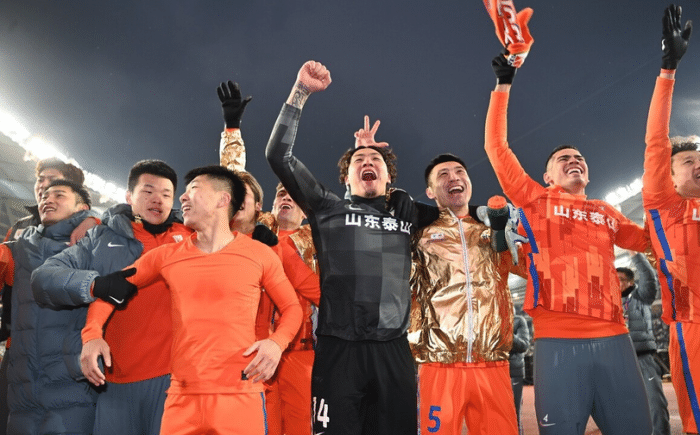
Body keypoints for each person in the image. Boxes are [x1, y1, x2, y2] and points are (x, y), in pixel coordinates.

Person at [484, 36, 653, 434]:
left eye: (579, 158)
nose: (574, 161)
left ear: (587, 173)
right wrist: (503, 85)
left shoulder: (606, 212)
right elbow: (496, 147)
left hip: (616, 339)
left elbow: (650, 240)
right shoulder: (535, 199)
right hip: (557, 343)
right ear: (548, 176)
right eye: (564, 159)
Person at [266, 60, 437, 434]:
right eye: (359, 160)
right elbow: (278, 156)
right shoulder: (328, 207)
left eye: (376, 160)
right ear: (345, 178)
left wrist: (405, 195)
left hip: (393, 350)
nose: (368, 162)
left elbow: (456, 209)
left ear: (389, 177)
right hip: (338, 351)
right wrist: (300, 92)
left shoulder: (407, 211)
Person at [78, 166, 303, 434]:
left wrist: (277, 343)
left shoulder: (260, 254)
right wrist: (92, 336)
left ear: (222, 199)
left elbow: (292, 308)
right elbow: (112, 289)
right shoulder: (166, 255)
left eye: (194, 189)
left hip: (240, 397)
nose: (182, 197)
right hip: (182, 400)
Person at [31, 160, 191, 435]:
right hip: (113, 381)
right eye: (148, 191)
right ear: (129, 196)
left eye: (166, 194)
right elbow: (42, 278)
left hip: (173, 380)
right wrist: (94, 284)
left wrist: (261, 233)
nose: (157, 200)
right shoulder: (100, 237)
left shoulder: (191, 236)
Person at [219, 80, 319, 434]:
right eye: (280, 193)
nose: (286, 197)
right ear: (269, 204)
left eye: (293, 194)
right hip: (254, 347)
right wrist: (232, 129)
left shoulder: (316, 240)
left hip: (301, 352)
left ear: (306, 210)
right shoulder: (258, 229)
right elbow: (232, 184)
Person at [410, 153, 526, 435]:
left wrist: (517, 234)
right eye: (443, 174)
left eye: (460, 171)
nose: (454, 177)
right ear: (429, 192)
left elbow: (528, 269)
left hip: (492, 361)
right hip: (438, 363)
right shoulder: (418, 235)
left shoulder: (492, 230)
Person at [0, 158, 94, 435]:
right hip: (21, 352)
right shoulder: (20, 231)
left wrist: (95, 221)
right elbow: (9, 275)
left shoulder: (93, 235)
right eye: (41, 181)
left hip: (67, 360)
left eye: (55, 184)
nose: (44, 188)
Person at [642, 5, 699, 433]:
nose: (698, 165)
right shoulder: (666, 205)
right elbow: (656, 140)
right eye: (688, 161)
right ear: (670, 176)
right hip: (693, 325)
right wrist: (668, 71)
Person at [617, 254, 671, 435]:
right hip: (616, 361)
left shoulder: (640, 297)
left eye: (620, 279)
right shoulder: (607, 302)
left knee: (655, 403)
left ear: (630, 282)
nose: (615, 282)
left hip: (642, 358)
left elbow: (649, 279)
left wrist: (636, 256)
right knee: (620, 407)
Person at [509, 312, 530, 435]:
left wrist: (506, 333)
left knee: (514, 413)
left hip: (514, 372)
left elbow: (524, 345)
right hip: (493, 372)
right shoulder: (489, 319)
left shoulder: (518, 320)